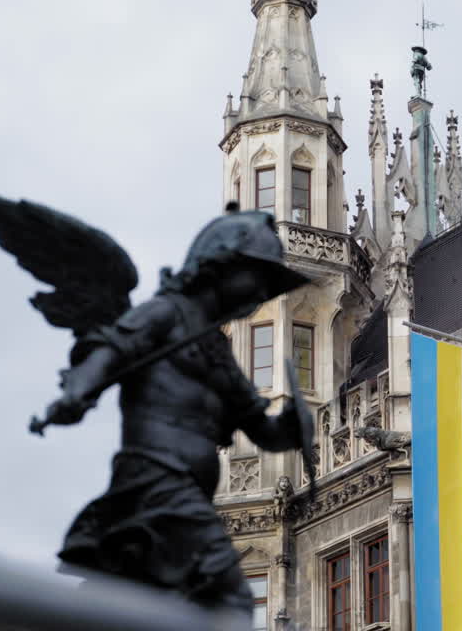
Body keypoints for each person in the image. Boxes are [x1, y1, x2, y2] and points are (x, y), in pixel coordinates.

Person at [43, 205, 312, 628]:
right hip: (157, 480)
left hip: (184, 491)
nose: (260, 293)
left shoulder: (217, 351)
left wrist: (294, 424)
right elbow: (112, 350)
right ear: (220, 265)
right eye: (256, 279)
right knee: (229, 599)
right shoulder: (167, 314)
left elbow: (263, 427)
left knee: (134, 595)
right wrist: (78, 391)